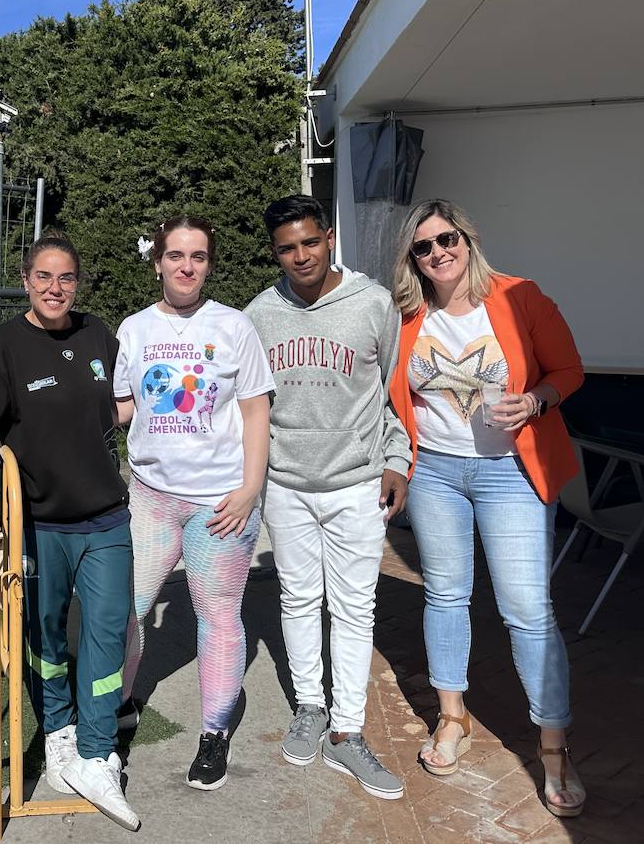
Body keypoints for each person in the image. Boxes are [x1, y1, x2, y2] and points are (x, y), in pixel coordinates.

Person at [388, 198, 586, 818]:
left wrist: (535, 403)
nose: (438, 253)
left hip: (512, 474)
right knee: (446, 594)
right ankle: (453, 718)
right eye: (423, 246)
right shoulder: (406, 314)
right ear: (412, 258)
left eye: (447, 239)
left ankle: (553, 746)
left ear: (467, 241)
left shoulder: (521, 296)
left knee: (527, 609)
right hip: (436, 474)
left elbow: (569, 370)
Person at [0, 233, 139, 831]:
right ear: (26, 280)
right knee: (45, 636)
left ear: (78, 283)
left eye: (67, 278)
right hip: (37, 525)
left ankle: (97, 754)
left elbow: (121, 404)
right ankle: (58, 734)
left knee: (107, 633)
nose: (56, 289)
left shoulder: (99, 334)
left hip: (106, 517)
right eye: (44, 277)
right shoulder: (2, 348)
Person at [245, 195, 410, 801]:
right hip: (287, 485)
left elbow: (396, 392)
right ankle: (309, 707)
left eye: (310, 242)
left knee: (354, 608)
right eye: (287, 248)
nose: (301, 256)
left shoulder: (372, 305)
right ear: (275, 253)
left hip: (356, 484)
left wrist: (397, 461)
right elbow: (249, 408)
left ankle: (347, 731)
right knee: (297, 600)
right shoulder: (259, 314)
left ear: (330, 237)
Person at [112, 215, 274, 791]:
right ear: (157, 261)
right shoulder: (132, 329)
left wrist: (250, 488)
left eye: (198, 257)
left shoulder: (235, 327)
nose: (186, 266)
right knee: (125, 607)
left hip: (221, 504)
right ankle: (121, 704)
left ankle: (213, 732)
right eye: (176, 255)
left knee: (218, 615)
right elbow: (125, 406)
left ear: (208, 264)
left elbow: (256, 410)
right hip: (151, 498)